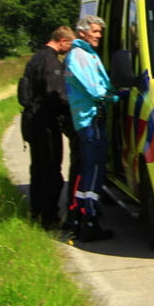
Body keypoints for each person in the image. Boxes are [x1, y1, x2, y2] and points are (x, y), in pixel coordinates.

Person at [65, 15, 120, 243]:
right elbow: (95, 89)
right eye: (95, 31)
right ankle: (89, 220)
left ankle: (79, 217)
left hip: (89, 120)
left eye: (100, 32)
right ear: (82, 32)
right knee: (94, 172)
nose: (99, 35)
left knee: (87, 170)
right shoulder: (80, 56)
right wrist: (117, 96)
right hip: (91, 120)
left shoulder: (85, 54)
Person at [20, 26, 76, 230]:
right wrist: (75, 106)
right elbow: (56, 95)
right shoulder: (51, 62)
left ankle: (36, 213)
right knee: (51, 171)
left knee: (38, 170)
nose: (69, 50)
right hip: (46, 123)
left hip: (32, 121)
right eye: (69, 45)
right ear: (62, 41)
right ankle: (49, 218)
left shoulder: (36, 58)